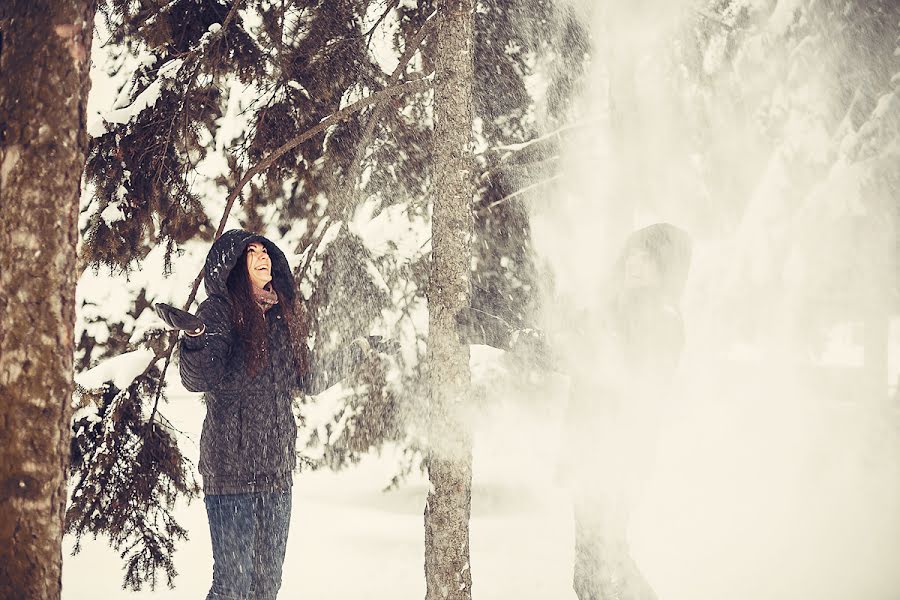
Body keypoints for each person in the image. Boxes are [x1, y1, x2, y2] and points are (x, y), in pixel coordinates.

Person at [457, 222, 692, 600]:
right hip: (589, 452)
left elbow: (609, 367)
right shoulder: (610, 310)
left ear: (667, 267)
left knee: (603, 568)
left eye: (648, 257)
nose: (635, 262)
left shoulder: (663, 320)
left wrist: (540, 345)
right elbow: (558, 346)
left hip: (620, 456)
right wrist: (497, 332)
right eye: (633, 252)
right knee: (593, 570)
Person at [155, 229, 380, 600]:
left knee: (266, 587)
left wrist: (359, 348)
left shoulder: (281, 316)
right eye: (251, 252)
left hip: (276, 475)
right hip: (231, 473)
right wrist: (195, 336)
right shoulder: (221, 310)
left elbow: (307, 378)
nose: (262, 256)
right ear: (233, 264)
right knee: (232, 587)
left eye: (265, 250)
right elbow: (199, 379)